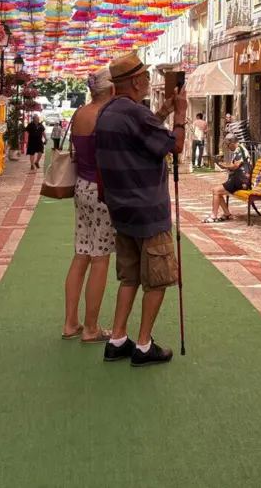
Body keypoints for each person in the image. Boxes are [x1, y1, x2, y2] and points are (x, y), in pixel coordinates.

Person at [96, 52, 187, 367]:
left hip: (122, 210)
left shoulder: (108, 112)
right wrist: (180, 116)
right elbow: (173, 146)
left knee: (130, 277)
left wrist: (162, 110)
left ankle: (117, 338)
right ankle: (144, 345)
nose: (150, 80)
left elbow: (143, 136)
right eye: (146, 76)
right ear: (136, 81)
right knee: (159, 278)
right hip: (148, 210)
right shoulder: (135, 114)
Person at [61, 67, 117, 344]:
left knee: (81, 253)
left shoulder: (79, 113)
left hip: (81, 187)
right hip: (102, 189)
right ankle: (91, 327)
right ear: (112, 90)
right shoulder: (105, 117)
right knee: (100, 258)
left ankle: (70, 321)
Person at [206, 135, 249, 223]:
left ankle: (213, 216)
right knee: (218, 191)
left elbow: (236, 165)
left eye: (228, 145)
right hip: (240, 180)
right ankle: (227, 214)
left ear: (232, 143)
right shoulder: (241, 149)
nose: (228, 147)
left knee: (216, 190)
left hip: (240, 181)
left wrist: (225, 166)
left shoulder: (239, 150)